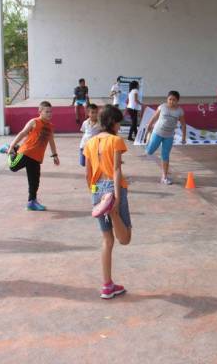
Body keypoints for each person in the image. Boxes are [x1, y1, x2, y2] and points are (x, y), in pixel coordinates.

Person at [83, 105, 132, 299]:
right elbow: (117, 170)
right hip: (112, 187)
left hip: (97, 189)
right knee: (125, 238)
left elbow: (87, 173)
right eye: (119, 123)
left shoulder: (90, 142)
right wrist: (117, 197)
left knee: (107, 240)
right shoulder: (116, 141)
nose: (120, 126)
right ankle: (111, 208)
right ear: (112, 122)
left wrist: (94, 193)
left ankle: (107, 286)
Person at [7, 101, 60, 211]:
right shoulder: (34, 122)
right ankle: (12, 150)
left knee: (34, 181)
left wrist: (55, 155)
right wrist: (12, 145)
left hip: (37, 158)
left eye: (51, 112)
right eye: (47, 112)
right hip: (26, 153)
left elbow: (51, 141)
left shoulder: (50, 127)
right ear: (40, 112)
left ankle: (31, 202)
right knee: (13, 167)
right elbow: (22, 133)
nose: (49, 114)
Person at [145, 91, 186, 185]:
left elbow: (183, 125)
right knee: (150, 151)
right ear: (167, 99)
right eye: (170, 99)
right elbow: (155, 117)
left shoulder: (179, 111)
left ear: (177, 101)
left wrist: (183, 137)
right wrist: (149, 125)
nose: (171, 101)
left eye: (174, 100)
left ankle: (164, 177)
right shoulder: (162, 107)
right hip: (157, 132)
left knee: (165, 155)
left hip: (169, 136)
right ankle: (149, 143)